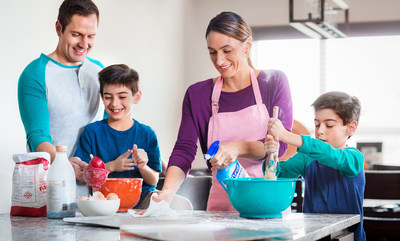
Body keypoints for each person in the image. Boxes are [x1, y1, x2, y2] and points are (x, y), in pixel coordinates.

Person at [152, 11, 293, 211]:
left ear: (247, 46)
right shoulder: (198, 94)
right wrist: (167, 192)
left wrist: (238, 147)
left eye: (227, 50)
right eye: (212, 52)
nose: (219, 61)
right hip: (221, 208)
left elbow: (281, 145)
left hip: (266, 203)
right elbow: (184, 150)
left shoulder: (274, 82)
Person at [263, 91, 369, 241]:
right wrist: (271, 155)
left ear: (350, 128)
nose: (320, 131)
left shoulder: (354, 159)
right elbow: (278, 174)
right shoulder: (307, 158)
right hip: (313, 240)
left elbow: (330, 155)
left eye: (329, 125)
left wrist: (287, 136)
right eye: (317, 124)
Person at [17, 0, 103, 196]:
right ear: (59, 28)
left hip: (95, 194)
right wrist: (65, 166)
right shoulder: (35, 74)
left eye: (91, 36)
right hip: (50, 189)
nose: (84, 44)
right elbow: (37, 136)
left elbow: (115, 123)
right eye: (76, 35)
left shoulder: (99, 71)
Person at [74, 64, 161, 206]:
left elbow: (153, 180)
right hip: (103, 201)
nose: (115, 103)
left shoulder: (147, 134)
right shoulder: (92, 132)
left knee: (162, 199)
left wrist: (143, 166)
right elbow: (82, 176)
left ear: (136, 97)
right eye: (108, 97)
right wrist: (111, 166)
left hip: (141, 201)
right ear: (102, 97)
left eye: (122, 97)